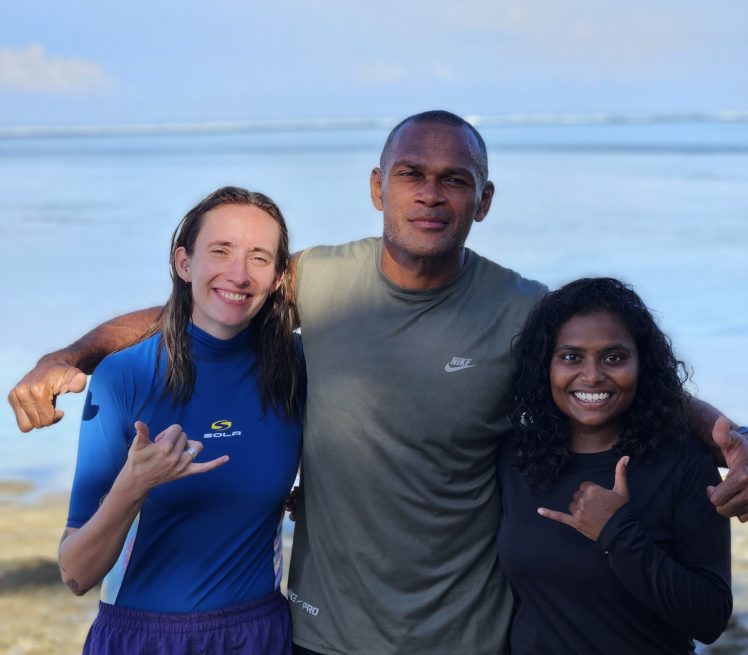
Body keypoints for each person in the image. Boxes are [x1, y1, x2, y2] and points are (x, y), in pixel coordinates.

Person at [8, 111, 747, 655]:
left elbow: (615, 370)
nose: (431, 194)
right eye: (411, 175)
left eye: (455, 180)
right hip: (320, 632)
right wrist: (72, 352)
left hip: (470, 635)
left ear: (483, 200)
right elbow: (211, 302)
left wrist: (725, 433)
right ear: (376, 188)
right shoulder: (324, 280)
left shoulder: (520, 309)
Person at [58, 186, 303, 654]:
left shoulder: (298, 370)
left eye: (258, 257)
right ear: (184, 263)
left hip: (260, 635)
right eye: (220, 251)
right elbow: (76, 575)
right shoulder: (123, 377)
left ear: (277, 277)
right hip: (143, 638)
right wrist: (133, 485)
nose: (238, 273)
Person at [497, 277, 732, 654]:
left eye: (614, 357)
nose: (592, 376)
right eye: (571, 356)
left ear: (643, 366)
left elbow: (710, 619)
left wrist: (618, 533)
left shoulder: (683, 463)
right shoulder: (514, 458)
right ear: (545, 366)